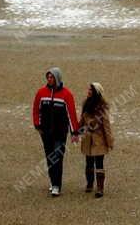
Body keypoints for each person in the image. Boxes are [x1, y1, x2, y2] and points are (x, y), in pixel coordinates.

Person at [32, 67, 79, 197]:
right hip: (46, 133)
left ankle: (57, 185)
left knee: (57, 157)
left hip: (60, 132)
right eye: (48, 77)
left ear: (57, 78)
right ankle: (53, 182)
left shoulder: (66, 94)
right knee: (49, 158)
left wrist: (74, 133)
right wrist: (37, 125)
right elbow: (36, 109)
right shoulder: (41, 93)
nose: (49, 79)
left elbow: (72, 114)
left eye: (52, 77)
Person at [79, 82, 113, 197]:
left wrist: (109, 141)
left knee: (99, 163)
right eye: (88, 89)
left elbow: (106, 125)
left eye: (90, 90)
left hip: (99, 140)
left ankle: (100, 188)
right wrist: (77, 131)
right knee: (88, 162)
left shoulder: (102, 107)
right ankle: (89, 183)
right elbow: (82, 120)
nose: (88, 91)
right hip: (88, 139)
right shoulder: (86, 104)